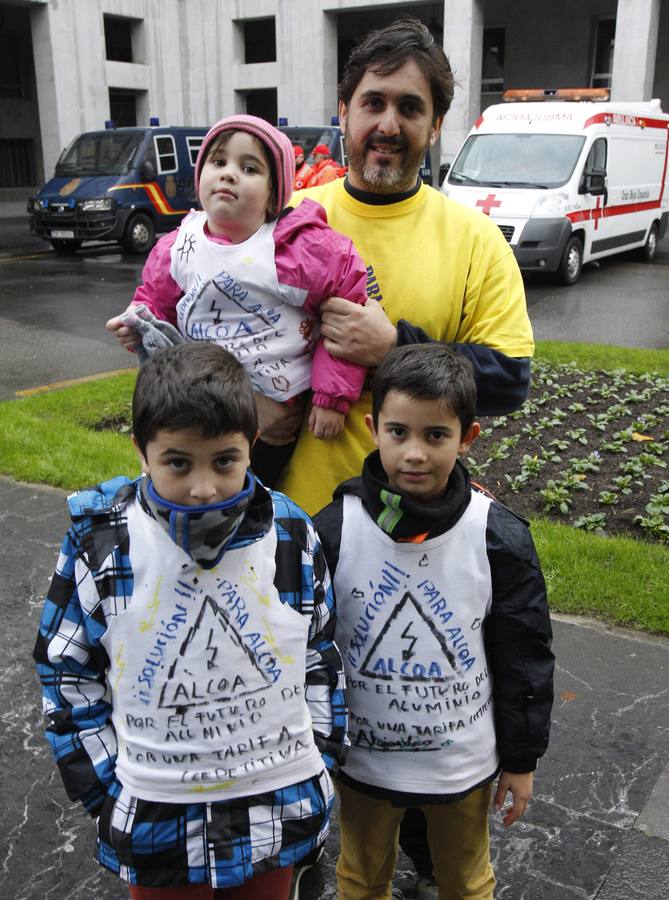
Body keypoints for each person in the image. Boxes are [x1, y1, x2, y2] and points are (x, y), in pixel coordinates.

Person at [33, 342, 348, 900]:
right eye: (178, 462)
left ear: (251, 445)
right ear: (141, 451)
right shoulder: (104, 543)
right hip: (158, 823)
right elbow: (67, 670)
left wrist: (319, 759)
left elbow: (321, 654)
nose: (204, 487)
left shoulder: (291, 536)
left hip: (277, 808)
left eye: (225, 460)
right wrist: (107, 792)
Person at [314, 343, 554, 900]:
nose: (414, 453)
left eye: (436, 435)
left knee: (466, 881)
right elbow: (309, 652)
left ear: (468, 436)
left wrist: (520, 761)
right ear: (373, 428)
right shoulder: (332, 530)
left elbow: (524, 655)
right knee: (359, 878)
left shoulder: (497, 537)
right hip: (363, 763)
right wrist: (313, 748)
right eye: (398, 432)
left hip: (460, 766)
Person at [277, 17, 535, 517]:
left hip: (413, 529)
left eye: (410, 108)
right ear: (344, 112)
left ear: (435, 126)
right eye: (373, 102)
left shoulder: (475, 239)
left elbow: (509, 378)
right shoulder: (285, 217)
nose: (389, 125)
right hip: (285, 520)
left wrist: (394, 349)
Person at [106, 115, 368, 487]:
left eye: (249, 168)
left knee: (250, 497)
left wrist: (331, 395)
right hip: (200, 402)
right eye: (218, 162)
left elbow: (348, 303)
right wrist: (138, 323)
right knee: (193, 489)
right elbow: (155, 299)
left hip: (275, 414)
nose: (229, 174)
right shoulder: (179, 245)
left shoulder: (295, 249)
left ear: (274, 194)